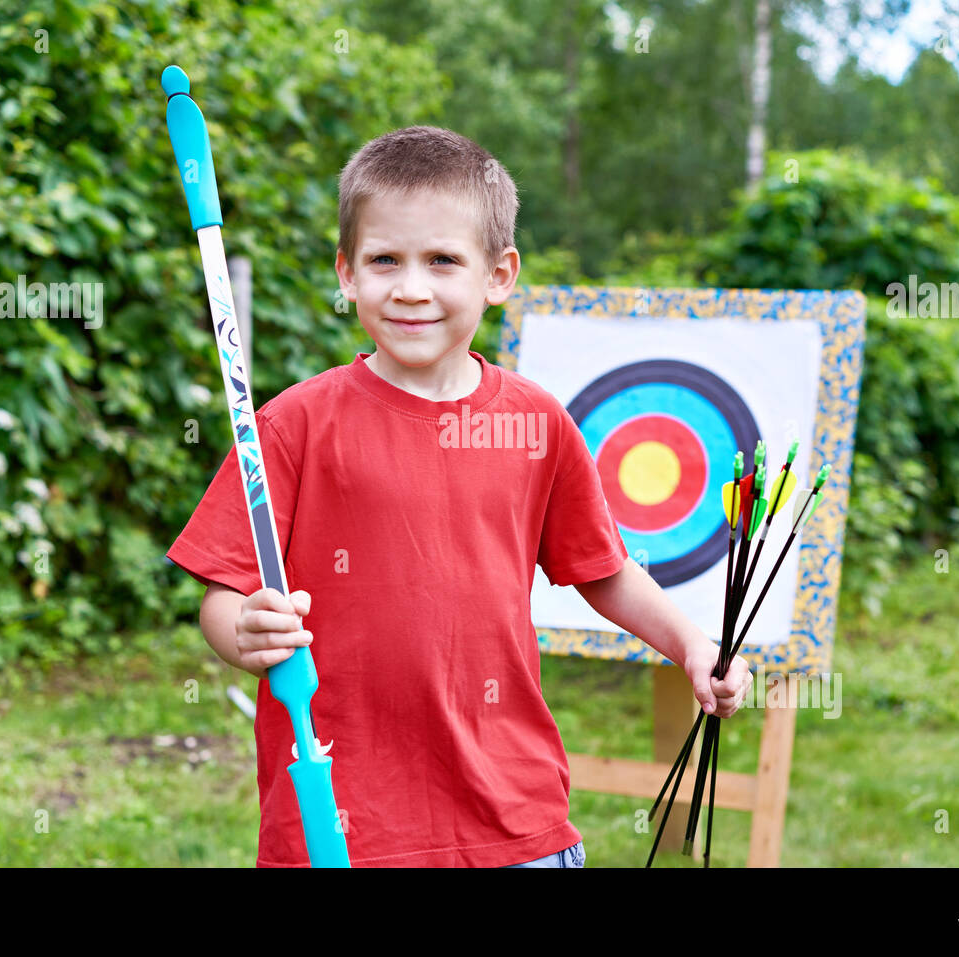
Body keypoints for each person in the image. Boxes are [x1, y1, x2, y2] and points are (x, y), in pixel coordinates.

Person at [166, 125, 752, 867]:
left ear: (498, 274)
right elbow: (224, 590)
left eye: (443, 260)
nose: (411, 287)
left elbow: (604, 570)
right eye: (384, 260)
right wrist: (243, 628)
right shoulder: (291, 426)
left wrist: (693, 645)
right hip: (341, 822)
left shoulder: (538, 423)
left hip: (513, 820)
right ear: (347, 273)